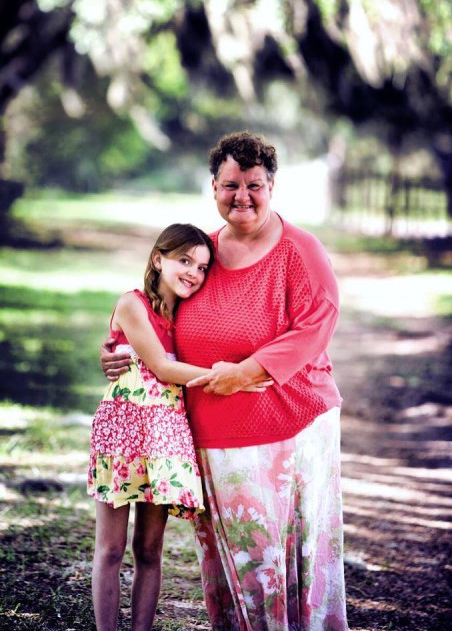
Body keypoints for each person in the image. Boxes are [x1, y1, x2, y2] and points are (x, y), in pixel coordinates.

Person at [102, 132, 348, 631]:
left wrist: (248, 373)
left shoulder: (300, 250)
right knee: (236, 562)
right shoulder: (200, 256)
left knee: (288, 558)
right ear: (213, 186)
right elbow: (153, 316)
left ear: (272, 186)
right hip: (212, 432)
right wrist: (116, 351)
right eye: (230, 185)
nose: (242, 197)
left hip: (292, 425)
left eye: (254, 185)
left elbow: (318, 321)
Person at [88, 224, 215, 631]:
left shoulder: (191, 315)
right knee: (110, 548)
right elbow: (160, 367)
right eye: (184, 260)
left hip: (166, 438)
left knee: (149, 548)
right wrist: (229, 376)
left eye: (202, 266)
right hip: (122, 433)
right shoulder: (132, 304)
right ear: (158, 259)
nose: (193, 272)